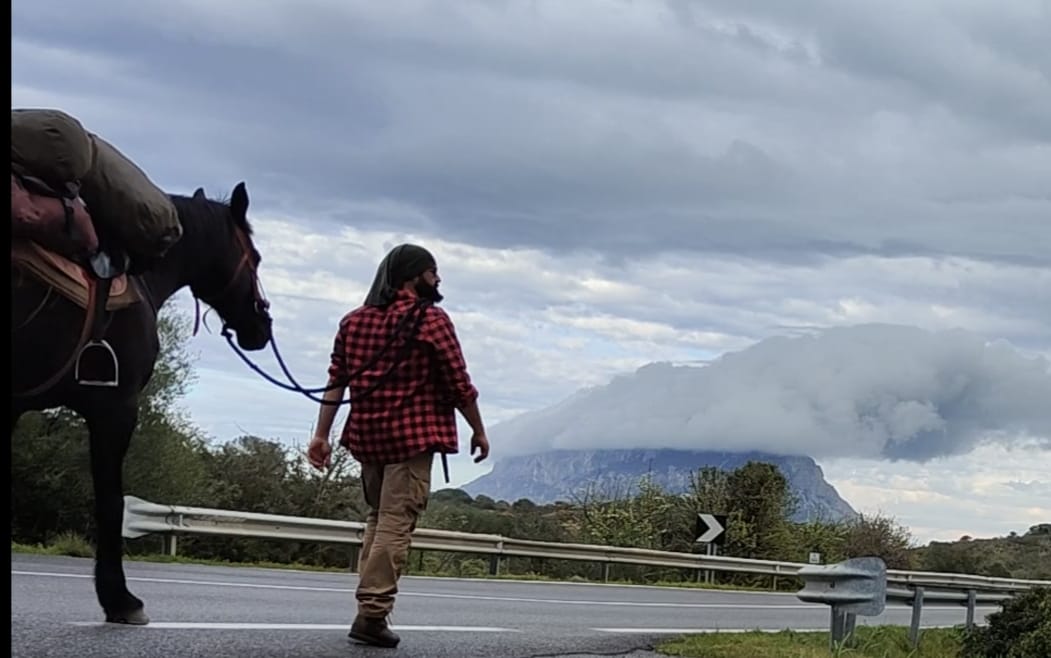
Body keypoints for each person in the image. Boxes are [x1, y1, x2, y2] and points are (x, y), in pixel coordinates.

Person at [308, 243, 490, 648]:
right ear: (413, 276)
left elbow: (336, 381)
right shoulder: (432, 321)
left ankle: (369, 607)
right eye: (432, 272)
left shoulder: (353, 322)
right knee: (395, 522)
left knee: (377, 518)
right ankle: (372, 613)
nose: (438, 279)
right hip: (412, 439)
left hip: (368, 437)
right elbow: (460, 384)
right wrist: (478, 429)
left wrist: (321, 434)